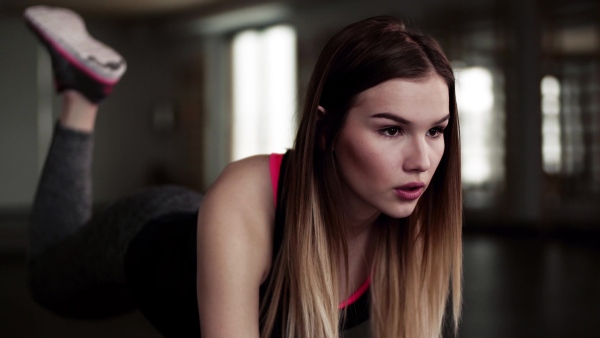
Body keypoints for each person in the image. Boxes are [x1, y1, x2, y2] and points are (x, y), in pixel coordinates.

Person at [24, 5, 462, 338]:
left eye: (436, 131)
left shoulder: (412, 215)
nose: (421, 161)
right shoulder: (247, 193)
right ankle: (82, 100)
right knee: (48, 280)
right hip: (149, 232)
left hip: (216, 227)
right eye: (391, 130)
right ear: (325, 129)